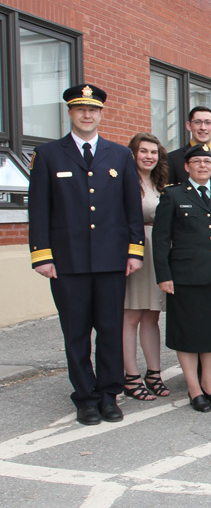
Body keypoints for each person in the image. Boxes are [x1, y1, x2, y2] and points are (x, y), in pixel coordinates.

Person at [29, 84, 145, 425]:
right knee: (76, 332)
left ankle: (109, 394)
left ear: (100, 114)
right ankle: (85, 397)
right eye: (80, 109)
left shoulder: (120, 154)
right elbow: (39, 209)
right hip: (68, 262)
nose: (86, 115)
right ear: (70, 113)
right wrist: (42, 256)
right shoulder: (48, 155)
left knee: (109, 329)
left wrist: (134, 250)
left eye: (92, 110)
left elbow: (131, 207)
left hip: (111, 260)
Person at [153, 144, 211, 413]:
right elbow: (160, 239)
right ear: (187, 167)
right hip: (186, 277)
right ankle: (193, 388)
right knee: (188, 333)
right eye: (197, 162)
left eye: (207, 161)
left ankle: (209, 386)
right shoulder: (173, 194)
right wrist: (163, 275)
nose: (203, 166)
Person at [122, 133, 169, 402]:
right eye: (143, 151)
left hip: (157, 253)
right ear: (133, 154)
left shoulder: (159, 183)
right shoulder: (126, 184)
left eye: (153, 152)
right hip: (134, 252)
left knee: (152, 316)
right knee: (130, 317)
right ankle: (130, 376)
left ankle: (154, 373)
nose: (149, 156)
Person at [167, 106, 211, 185]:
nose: (203, 127)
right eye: (197, 122)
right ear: (189, 125)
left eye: (208, 122)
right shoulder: (172, 159)